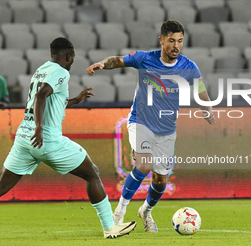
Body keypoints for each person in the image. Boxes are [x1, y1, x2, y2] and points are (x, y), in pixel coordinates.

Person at [0, 37, 136, 241]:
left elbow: (48, 100)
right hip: (46, 138)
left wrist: (74, 100)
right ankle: (110, 228)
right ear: (69, 57)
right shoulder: (61, 72)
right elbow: (41, 96)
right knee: (92, 173)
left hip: (23, 138)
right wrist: (39, 128)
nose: (72, 62)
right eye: (72, 59)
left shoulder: (41, 70)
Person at [86, 20, 215, 233]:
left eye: (180, 41)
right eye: (171, 40)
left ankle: (146, 211)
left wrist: (206, 107)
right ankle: (119, 211)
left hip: (166, 130)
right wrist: (102, 64)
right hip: (141, 121)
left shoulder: (188, 66)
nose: (176, 46)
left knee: (160, 181)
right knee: (144, 165)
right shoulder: (145, 59)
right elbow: (117, 61)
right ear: (161, 40)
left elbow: (199, 86)